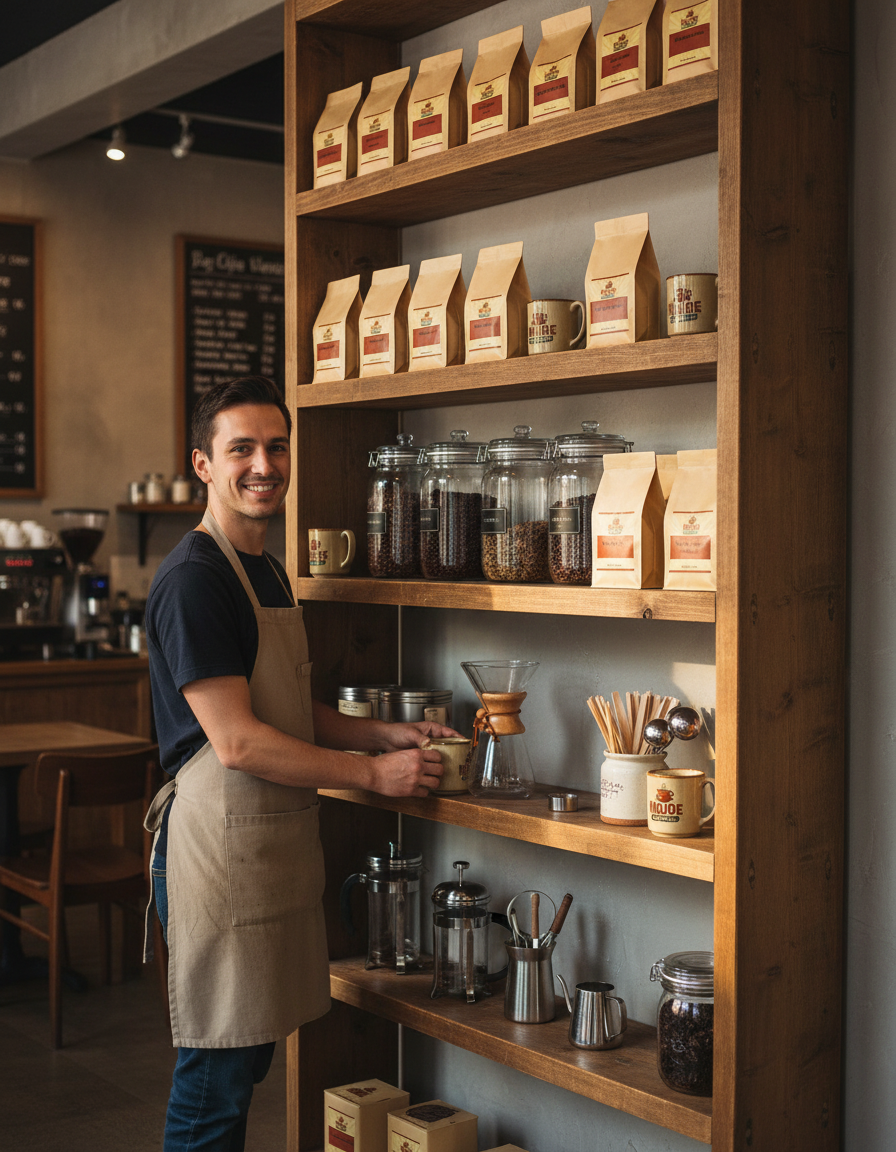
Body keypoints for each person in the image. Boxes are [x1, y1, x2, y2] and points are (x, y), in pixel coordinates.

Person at [143, 376, 453, 1151]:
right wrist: (373, 778)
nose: (263, 465)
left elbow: (283, 709)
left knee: (242, 1065)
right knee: (214, 1080)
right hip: (216, 848)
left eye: (275, 446)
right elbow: (239, 742)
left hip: (261, 840)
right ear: (203, 465)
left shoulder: (268, 568)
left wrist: (379, 734)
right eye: (240, 448)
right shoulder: (195, 580)